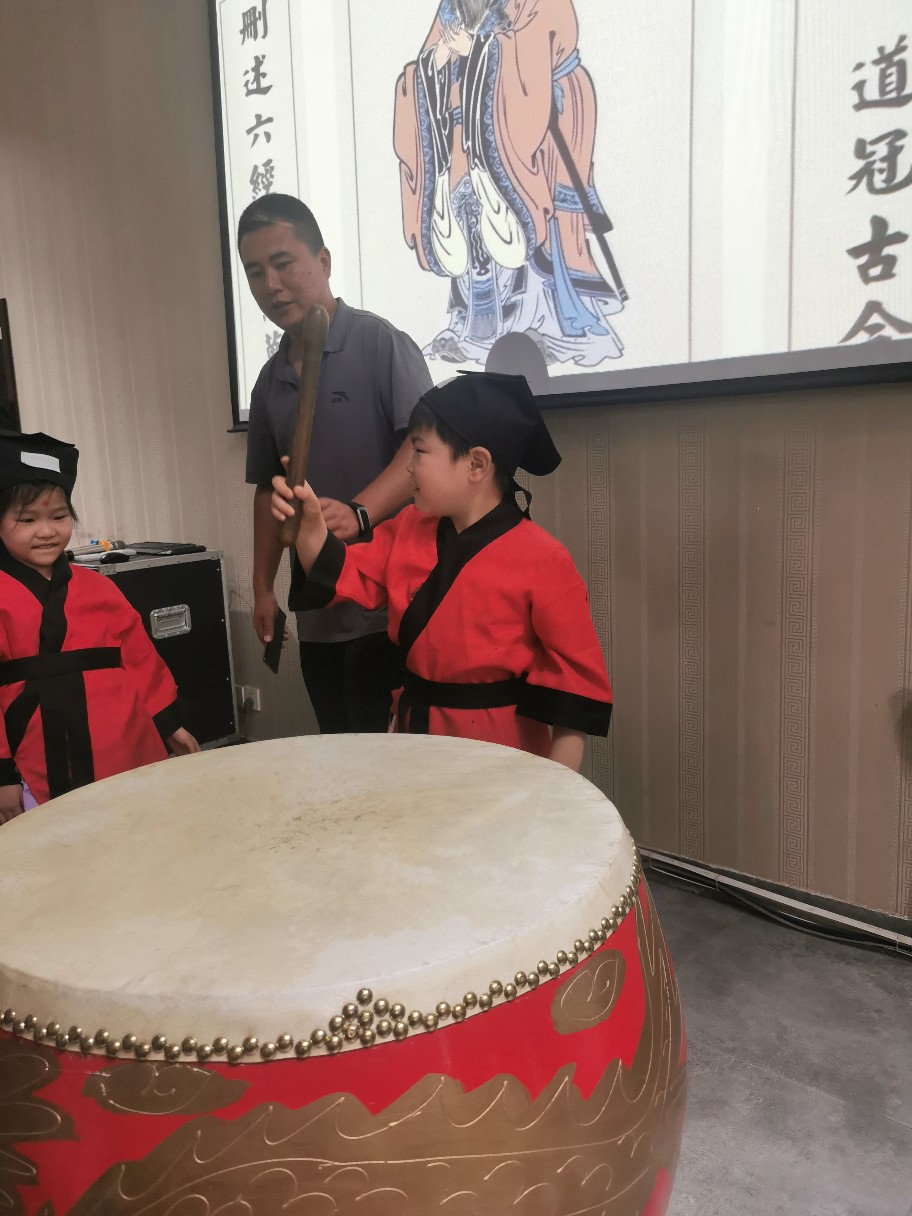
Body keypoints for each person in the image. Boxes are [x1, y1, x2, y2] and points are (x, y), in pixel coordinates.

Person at [271, 372, 612, 771]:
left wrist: (556, 787)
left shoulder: (544, 559)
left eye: (419, 451)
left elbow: (574, 689)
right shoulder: (407, 529)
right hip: (413, 739)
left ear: (476, 464)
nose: (408, 468)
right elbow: (342, 573)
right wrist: (310, 527)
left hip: (502, 754)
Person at [239, 194, 433, 733]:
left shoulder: (379, 343)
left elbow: (423, 447)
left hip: (391, 606)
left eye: (283, 263)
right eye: (254, 272)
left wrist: (360, 512)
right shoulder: (269, 380)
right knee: (338, 752)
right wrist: (262, 587)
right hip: (318, 610)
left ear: (322, 261)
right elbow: (268, 490)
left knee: (397, 762)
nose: (271, 285)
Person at [393, 0, 626, 368]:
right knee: (467, 207)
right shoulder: (454, 6)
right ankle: (475, 329)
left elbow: (538, 50)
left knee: (535, 221)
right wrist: (436, 63)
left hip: (541, 118)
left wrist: (477, 51)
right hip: (473, 130)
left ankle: (554, 329)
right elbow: (425, 65)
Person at [0, 430, 199, 823]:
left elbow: (140, 659)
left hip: (123, 740)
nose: (46, 531)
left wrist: (170, 724)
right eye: (28, 519)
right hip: (34, 754)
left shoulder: (99, 587)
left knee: (136, 827)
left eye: (59, 517)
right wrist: (2, 774)